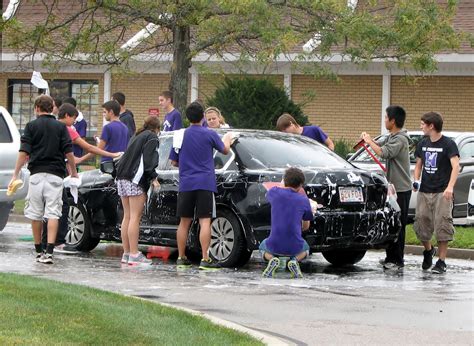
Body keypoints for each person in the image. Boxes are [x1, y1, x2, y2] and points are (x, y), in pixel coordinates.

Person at [41, 103, 120, 253]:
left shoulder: (46, 126)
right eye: (74, 119)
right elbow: (88, 147)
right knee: (62, 206)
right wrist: (111, 154)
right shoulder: (66, 129)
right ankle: (57, 242)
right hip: (56, 173)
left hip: (40, 171)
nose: (74, 123)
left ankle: (43, 243)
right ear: (67, 116)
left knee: (46, 208)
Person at [9, 95, 78, 264]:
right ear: (52, 108)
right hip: (55, 175)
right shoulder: (61, 127)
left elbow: (24, 152)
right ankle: (49, 252)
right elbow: (69, 152)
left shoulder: (31, 126)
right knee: (53, 213)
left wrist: (15, 174)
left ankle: (38, 250)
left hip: (36, 175)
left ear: (37, 108)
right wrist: (74, 172)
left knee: (36, 214)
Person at [170, 102, 233, 269]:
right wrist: (227, 138)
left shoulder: (180, 135)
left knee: (184, 222)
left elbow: (173, 161)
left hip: (186, 183)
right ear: (203, 117)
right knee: (205, 221)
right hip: (205, 182)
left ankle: (181, 257)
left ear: (187, 118)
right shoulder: (209, 134)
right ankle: (205, 259)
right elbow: (225, 150)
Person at [360, 105, 412, 270]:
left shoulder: (400, 139)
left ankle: (398, 260)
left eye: (385, 117)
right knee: (392, 222)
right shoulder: (392, 136)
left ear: (393, 120)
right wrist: (368, 140)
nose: (384, 120)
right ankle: (391, 256)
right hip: (392, 188)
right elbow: (379, 145)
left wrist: (369, 142)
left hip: (402, 188)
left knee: (399, 224)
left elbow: (384, 152)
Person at [413, 112, 459, 274]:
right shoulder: (422, 144)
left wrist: (450, 187)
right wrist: (416, 180)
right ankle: (428, 250)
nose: (421, 127)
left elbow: (456, 166)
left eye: (422, 124)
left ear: (431, 125)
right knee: (421, 224)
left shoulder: (448, 144)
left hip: (442, 191)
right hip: (424, 190)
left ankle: (441, 261)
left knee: (442, 225)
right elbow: (418, 165)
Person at [116, 116, 160, 265]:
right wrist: (153, 177)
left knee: (127, 216)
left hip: (121, 177)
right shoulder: (152, 137)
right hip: (135, 179)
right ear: (157, 129)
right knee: (135, 217)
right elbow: (149, 160)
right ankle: (135, 254)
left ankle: (127, 253)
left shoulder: (137, 135)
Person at [259, 167, 313, 278]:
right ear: (300, 185)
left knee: (262, 246)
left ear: (284, 180)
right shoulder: (304, 200)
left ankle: (272, 259)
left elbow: (269, 194)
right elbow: (306, 226)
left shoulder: (274, 192)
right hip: (295, 247)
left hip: (274, 245)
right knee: (306, 248)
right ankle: (294, 260)